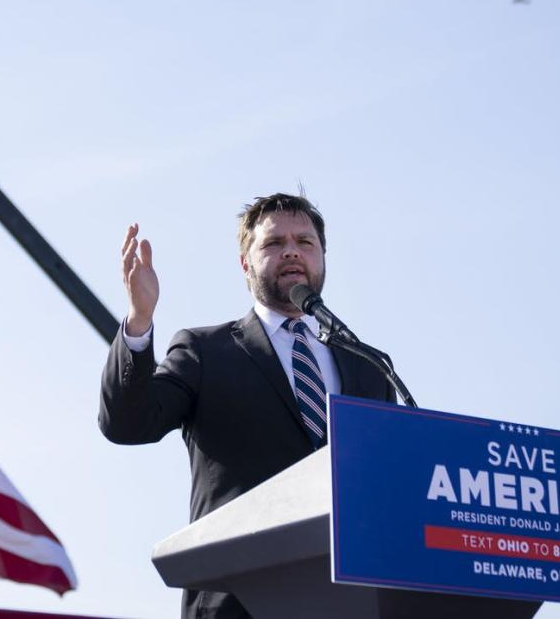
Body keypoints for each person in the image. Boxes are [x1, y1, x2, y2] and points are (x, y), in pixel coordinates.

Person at [99, 193, 397, 618]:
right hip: (239, 601)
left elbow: (391, 483)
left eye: (304, 242)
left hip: (350, 599)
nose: (291, 250)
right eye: (274, 243)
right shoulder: (205, 350)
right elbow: (127, 424)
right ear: (245, 264)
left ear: (323, 258)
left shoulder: (368, 366)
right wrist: (139, 320)